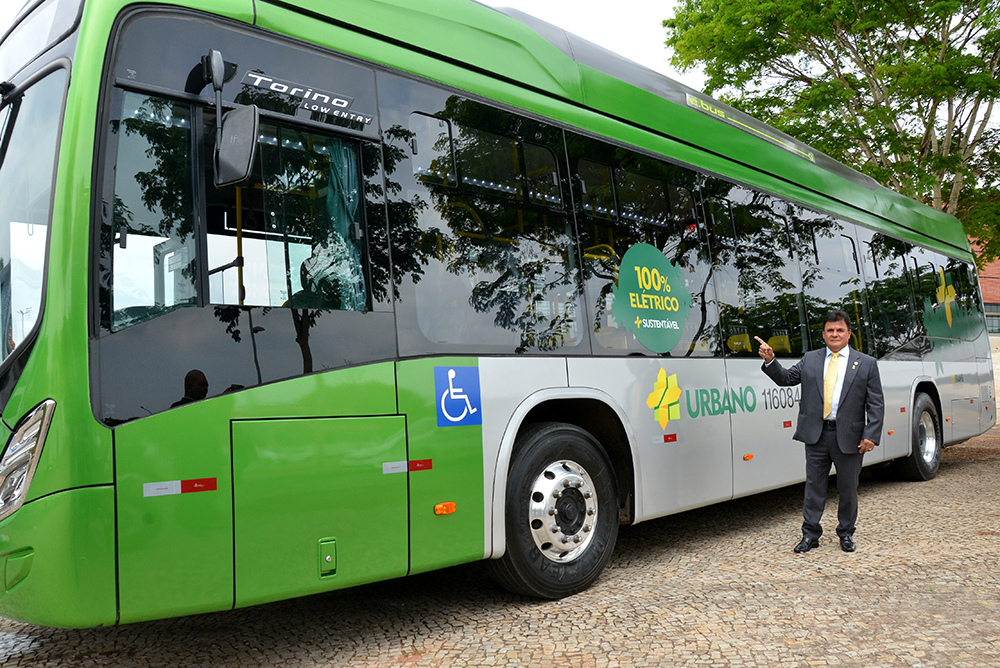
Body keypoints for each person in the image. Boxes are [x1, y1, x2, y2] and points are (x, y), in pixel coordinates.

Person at [755, 311, 884, 553]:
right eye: (830, 330)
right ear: (823, 334)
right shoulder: (810, 359)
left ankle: (846, 533)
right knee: (814, 487)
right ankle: (810, 534)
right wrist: (771, 360)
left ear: (848, 334)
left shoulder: (866, 363)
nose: (835, 334)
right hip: (817, 434)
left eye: (840, 330)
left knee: (848, 488)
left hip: (850, 437)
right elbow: (785, 379)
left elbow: (875, 403)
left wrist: (871, 435)